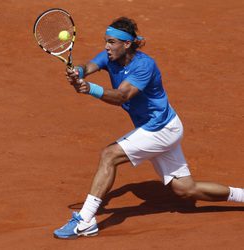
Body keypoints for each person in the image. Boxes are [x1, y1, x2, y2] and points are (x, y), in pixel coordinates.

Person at [54, 17, 244, 239]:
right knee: (186, 190)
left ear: (126, 44)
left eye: (112, 42)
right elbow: (88, 66)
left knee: (110, 155)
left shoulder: (144, 65)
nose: (106, 46)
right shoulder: (110, 56)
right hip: (163, 128)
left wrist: (90, 89)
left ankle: (85, 221)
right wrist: (78, 71)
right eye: (106, 41)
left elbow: (123, 95)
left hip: (159, 129)